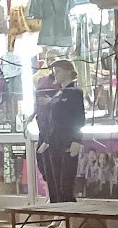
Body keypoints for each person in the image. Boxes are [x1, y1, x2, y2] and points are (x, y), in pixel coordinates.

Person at [36, 59, 85, 203]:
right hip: (54, 143)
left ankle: (70, 218)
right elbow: (53, 121)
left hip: (67, 142)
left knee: (65, 184)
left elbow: (78, 118)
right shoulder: (58, 93)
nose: (55, 75)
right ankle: (60, 215)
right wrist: (47, 141)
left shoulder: (74, 92)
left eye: (58, 71)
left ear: (68, 71)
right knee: (55, 183)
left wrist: (77, 140)